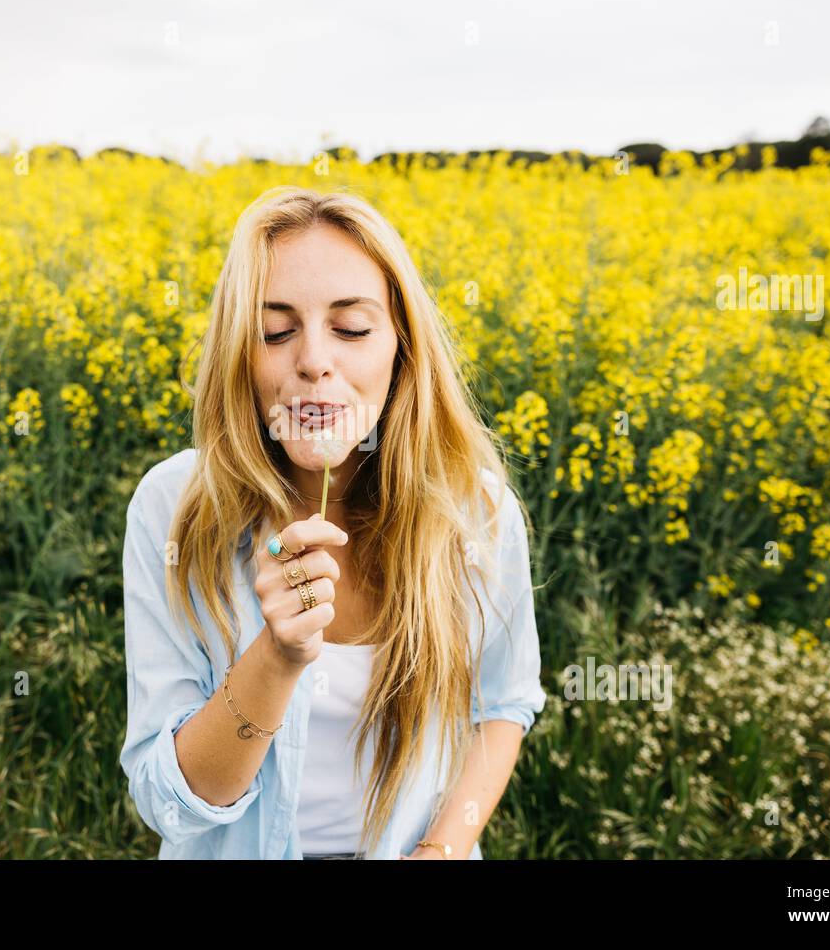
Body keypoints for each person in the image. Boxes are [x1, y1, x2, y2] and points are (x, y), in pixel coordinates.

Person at [118, 185, 546, 859]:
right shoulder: (173, 508)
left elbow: (501, 704)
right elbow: (173, 804)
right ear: (239, 353)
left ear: (402, 347)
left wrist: (443, 848)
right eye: (275, 330)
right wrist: (276, 656)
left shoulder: (476, 510)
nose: (315, 359)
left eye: (351, 328)